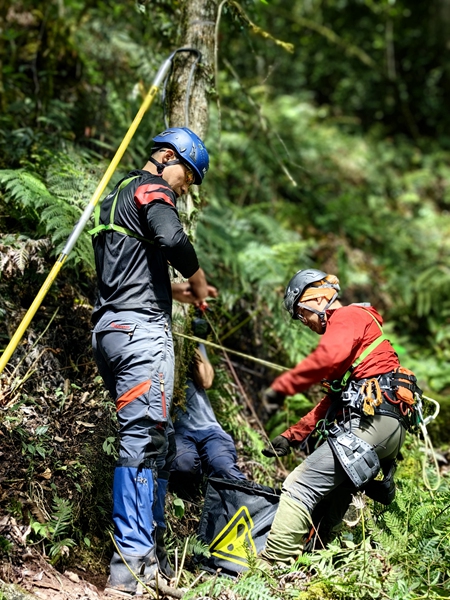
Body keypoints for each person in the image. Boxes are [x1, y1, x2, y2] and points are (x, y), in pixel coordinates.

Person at [90, 127, 217, 592]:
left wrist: (175, 291)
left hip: (110, 330)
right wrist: (197, 280)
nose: (186, 188)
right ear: (167, 157)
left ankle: (150, 559)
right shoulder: (151, 188)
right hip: (141, 334)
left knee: (157, 444)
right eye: (189, 175)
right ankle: (130, 567)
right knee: (143, 441)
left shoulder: (116, 197)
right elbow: (171, 238)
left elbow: (130, 263)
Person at [259, 268, 421, 565]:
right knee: (332, 499)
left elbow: (325, 358)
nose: (304, 323)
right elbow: (331, 402)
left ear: (317, 300)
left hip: (369, 426)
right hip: (386, 430)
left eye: (301, 314)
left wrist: (283, 387)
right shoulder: (357, 336)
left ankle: (270, 565)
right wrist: (291, 436)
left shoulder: (346, 317)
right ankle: (317, 564)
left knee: (300, 486)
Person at [170, 316, 247, 493]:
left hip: (209, 429)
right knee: (184, 465)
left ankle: (249, 500)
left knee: (223, 467)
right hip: (178, 431)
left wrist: (195, 342)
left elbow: (206, 380)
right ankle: (202, 485)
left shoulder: (188, 342)